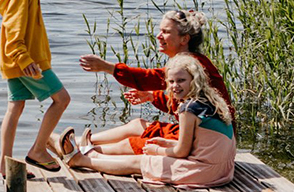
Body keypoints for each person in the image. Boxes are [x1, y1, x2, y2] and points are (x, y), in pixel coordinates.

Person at [67, 9, 232, 157]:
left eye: (166, 32)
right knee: (136, 125)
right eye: (160, 30)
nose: (159, 36)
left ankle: (81, 153)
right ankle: (81, 141)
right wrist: (153, 96)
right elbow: (189, 105)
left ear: (184, 39)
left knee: (135, 142)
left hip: (208, 142)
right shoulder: (187, 62)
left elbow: (148, 78)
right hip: (198, 133)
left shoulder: (192, 65)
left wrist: (109, 68)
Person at [62, 53, 235, 188]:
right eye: (171, 81)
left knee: (140, 161)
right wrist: (165, 144)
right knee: (148, 147)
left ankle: (83, 160)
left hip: (205, 171)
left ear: (195, 80)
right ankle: (91, 152)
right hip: (223, 169)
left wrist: (157, 150)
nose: (175, 86)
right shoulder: (209, 99)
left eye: (181, 81)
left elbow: (182, 152)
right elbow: (196, 143)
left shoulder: (187, 109)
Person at [0, 0, 71, 174]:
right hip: (27, 60)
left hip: (15, 60)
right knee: (62, 99)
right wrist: (24, 57)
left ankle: (4, 165)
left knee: (15, 107)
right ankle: (38, 150)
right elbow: (13, 25)